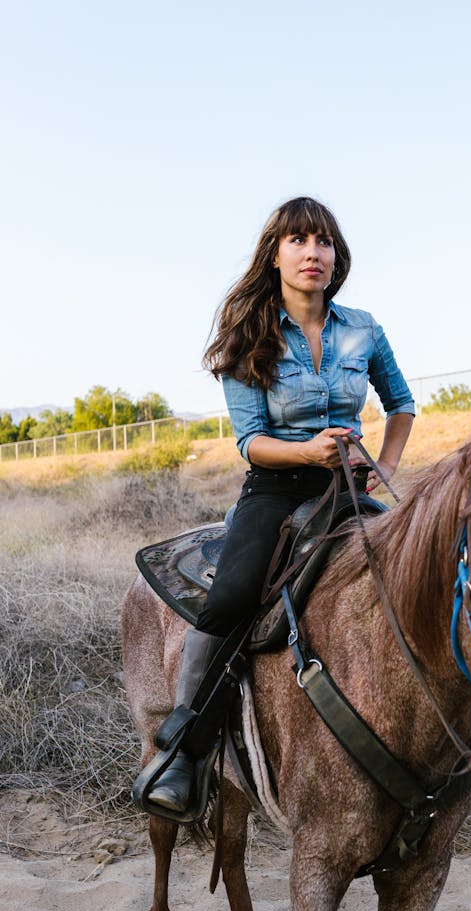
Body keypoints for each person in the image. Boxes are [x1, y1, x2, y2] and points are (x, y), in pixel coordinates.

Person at [146, 196, 415, 815]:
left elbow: (400, 404)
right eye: (297, 241)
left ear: (336, 256)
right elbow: (251, 443)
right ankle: (185, 748)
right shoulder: (249, 336)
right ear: (275, 254)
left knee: (421, 571)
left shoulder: (363, 328)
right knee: (234, 596)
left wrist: (387, 466)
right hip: (277, 487)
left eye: (322, 242)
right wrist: (309, 454)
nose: (311, 253)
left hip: (351, 490)